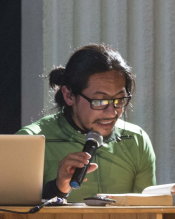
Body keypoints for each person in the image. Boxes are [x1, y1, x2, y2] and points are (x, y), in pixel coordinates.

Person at [16, 44, 156, 203]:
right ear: (69, 95)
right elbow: (12, 216)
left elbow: (148, 213)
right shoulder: (31, 141)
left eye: (118, 100)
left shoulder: (136, 140)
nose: (112, 112)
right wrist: (57, 187)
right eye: (99, 101)